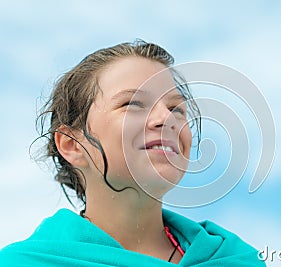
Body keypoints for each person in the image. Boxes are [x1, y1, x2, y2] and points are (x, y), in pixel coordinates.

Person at [0, 40, 265, 266]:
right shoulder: (24, 262)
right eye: (133, 104)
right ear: (71, 145)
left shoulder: (238, 259)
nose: (166, 118)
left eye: (176, 109)